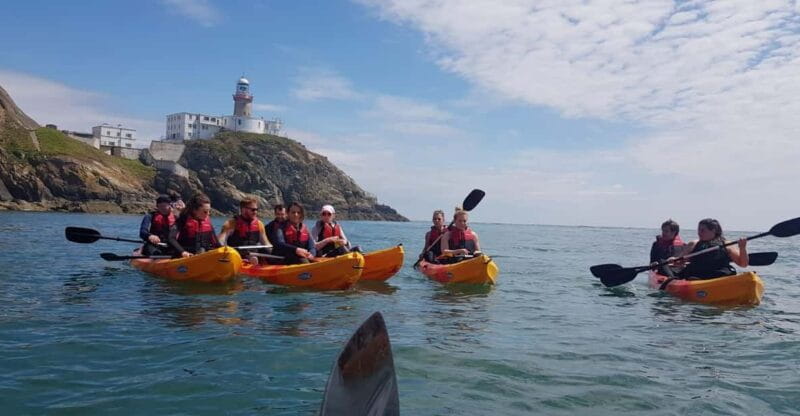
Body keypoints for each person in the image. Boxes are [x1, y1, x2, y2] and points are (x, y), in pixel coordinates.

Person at [673, 218, 748, 279]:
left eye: (702, 230)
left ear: (713, 230)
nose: (699, 233)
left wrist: (742, 248)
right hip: (696, 276)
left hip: (718, 276)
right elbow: (679, 262)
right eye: (698, 230)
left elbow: (743, 264)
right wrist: (674, 260)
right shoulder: (693, 244)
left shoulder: (726, 244)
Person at [218, 197, 271, 265]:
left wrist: (275, 251)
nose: (255, 212)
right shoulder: (231, 224)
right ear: (243, 209)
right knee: (252, 258)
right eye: (253, 210)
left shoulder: (259, 224)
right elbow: (220, 241)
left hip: (253, 256)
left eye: (256, 209)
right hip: (237, 257)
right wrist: (225, 251)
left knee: (264, 252)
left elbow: (266, 244)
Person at [168, 193, 221, 258]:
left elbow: (216, 243)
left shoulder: (207, 222)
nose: (208, 214)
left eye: (209, 211)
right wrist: (183, 252)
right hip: (186, 257)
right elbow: (171, 238)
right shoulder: (183, 220)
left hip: (203, 256)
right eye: (205, 211)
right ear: (194, 210)